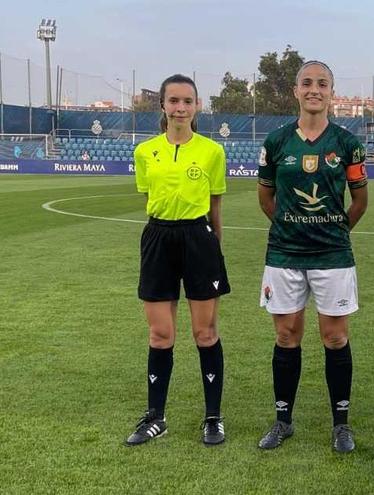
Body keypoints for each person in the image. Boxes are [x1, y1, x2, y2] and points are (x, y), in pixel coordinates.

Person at [256, 61, 368, 453]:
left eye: (322, 84)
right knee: (286, 335)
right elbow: (266, 198)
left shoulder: (347, 143)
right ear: (296, 90)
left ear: (332, 92)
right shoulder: (276, 142)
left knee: (335, 337)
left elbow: (360, 200)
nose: (314, 90)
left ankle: (341, 424)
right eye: (307, 83)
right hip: (284, 253)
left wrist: (333, 231)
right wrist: (292, 227)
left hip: (333, 254)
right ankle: (283, 420)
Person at [126, 74, 230, 446]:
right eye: (174, 101)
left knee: (205, 333)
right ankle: (156, 416)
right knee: (160, 334)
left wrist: (214, 245)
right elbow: (149, 198)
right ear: (163, 106)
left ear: (197, 106)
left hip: (199, 239)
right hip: (158, 238)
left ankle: (213, 417)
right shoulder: (145, 151)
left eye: (188, 101)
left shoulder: (212, 151)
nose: (180, 108)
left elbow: (215, 204)